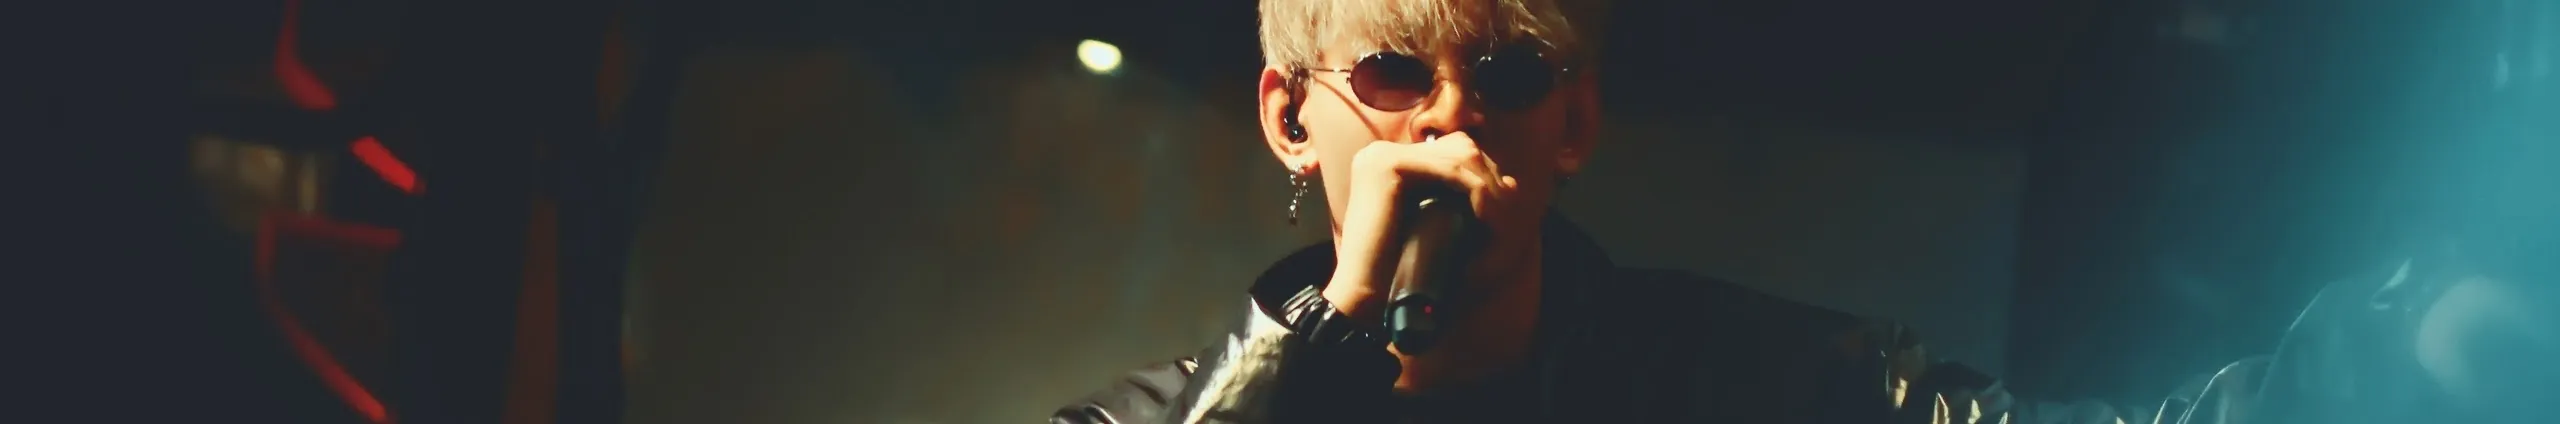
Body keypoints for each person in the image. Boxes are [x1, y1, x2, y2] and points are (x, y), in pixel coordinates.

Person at [1052, 1, 2110, 423]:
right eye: (1393, 71)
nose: (1453, 114)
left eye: (1508, 74)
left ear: (1574, 122)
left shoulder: (1778, 383)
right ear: (1290, 118)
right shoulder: (1137, 420)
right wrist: (1339, 322)